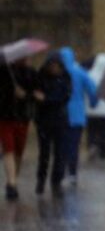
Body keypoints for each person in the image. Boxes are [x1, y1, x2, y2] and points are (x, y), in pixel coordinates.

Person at [34, 53, 72, 197]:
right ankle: (41, 180)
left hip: (60, 121)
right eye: (52, 66)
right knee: (44, 153)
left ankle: (56, 180)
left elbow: (64, 97)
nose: (55, 69)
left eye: (57, 66)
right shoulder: (41, 77)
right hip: (44, 121)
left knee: (60, 153)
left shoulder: (65, 78)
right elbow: (37, 96)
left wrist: (46, 99)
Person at [0, 55, 38, 200]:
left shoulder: (31, 73)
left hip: (23, 117)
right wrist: (10, 92)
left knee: (18, 150)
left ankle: (13, 179)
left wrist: (26, 95)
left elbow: (37, 93)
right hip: (5, 116)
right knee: (8, 148)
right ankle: (12, 183)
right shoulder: (4, 71)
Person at [60, 47, 98, 186]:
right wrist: (93, 103)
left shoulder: (58, 74)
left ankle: (61, 170)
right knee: (74, 145)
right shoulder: (80, 73)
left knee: (61, 145)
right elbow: (93, 90)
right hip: (77, 115)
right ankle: (72, 173)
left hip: (60, 115)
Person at [84, 53, 105, 161]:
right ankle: (102, 153)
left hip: (90, 110)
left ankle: (92, 145)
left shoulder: (89, 74)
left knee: (91, 131)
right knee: (104, 133)